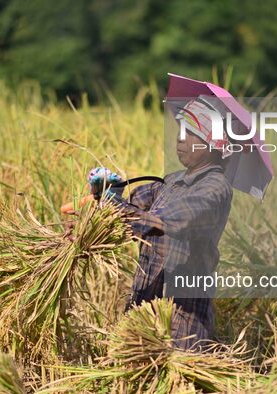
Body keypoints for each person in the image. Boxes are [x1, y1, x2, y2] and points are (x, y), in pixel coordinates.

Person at [87, 98, 233, 349]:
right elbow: (133, 205)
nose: (179, 139)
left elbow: (171, 220)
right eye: (180, 131)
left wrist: (116, 205)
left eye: (189, 133)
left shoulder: (215, 189)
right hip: (145, 303)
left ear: (210, 143)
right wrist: (107, 193)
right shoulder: (172, 181)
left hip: (182, 317)